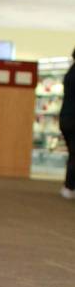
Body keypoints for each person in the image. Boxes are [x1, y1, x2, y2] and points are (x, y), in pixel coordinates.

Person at [60, 48, 75, 199]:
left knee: (73, 153)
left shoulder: (70, 72)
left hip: (66, 118)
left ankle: (69, 185)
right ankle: (69, 186)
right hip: (72, 120)